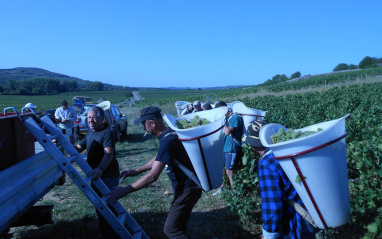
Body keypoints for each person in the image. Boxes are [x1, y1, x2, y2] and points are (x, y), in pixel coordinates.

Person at [105, 106, 202, 239]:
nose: (143, 127)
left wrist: (124, 190)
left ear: (152, 123)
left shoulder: (168, 140)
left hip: (188, 189)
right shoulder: (169, 135)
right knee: (178, 226)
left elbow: (152, 176)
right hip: (185, 188)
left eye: (144, 123)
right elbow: (159, 158)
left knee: (171, 230)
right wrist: (136, 171)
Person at [242, 119, 317, 239]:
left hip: (297, 219)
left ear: (252, 144)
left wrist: (269, 233)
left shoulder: (266, 163)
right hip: (311, 212)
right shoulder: (287, 150)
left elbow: (272, 203)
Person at [75, 106, 120, 239]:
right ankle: (105, 232)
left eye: (94, 117)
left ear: (102, 119)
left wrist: (100, 168)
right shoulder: (90, 133)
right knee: (100, 207)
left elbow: (109, 153)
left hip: (107, 175)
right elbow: (78, 148)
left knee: (108, 207)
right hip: (95, 175)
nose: (91, 120)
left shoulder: (106, 133)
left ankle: (112, 233)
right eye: (89, 117)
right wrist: (62, 147)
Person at [214, 101, 243, 194]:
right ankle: (223, 188)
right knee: (223, 168)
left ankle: (235, 193)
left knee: (229, 171)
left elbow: (227, 131)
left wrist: (221, 121)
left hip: (232, 148)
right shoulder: (227, 118)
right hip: (226, 147)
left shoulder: (235, 117)